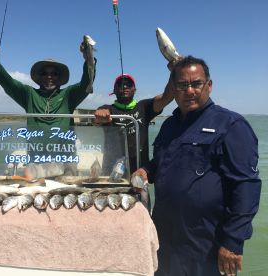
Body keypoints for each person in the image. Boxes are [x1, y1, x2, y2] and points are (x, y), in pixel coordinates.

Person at [134, 55, 262, 275]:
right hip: (165, 235)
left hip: (206, 242)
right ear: (173, 89)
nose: (190, 90)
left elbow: (246, 187)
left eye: (196, 83)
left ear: (209, 86)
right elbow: (162, 161)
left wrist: (232, 242)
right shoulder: (169, 126)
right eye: (182, 85)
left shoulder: (231, 125)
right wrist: (147, 170)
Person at [0, 37, 96, 129]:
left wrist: (88, 58)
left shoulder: (69, 95)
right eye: (44, 73)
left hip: (64, 154)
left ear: (59, 77)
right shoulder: (29, 94)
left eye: (54, 73)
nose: (49, 77)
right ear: (39, 77)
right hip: (35, 154)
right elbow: (8, 83)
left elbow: (87, 83)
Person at [94, 73, 174, 173]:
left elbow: (167, 97)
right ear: (114, 90)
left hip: (139, 171)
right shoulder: (108, 109)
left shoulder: (144, 107)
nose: (125, 86)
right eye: (120, 84)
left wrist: (175, 71)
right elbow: (97, 121)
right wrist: (100, 115)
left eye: (129, 84)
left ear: (134, 90)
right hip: (111, 170)